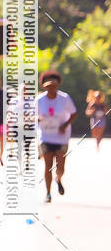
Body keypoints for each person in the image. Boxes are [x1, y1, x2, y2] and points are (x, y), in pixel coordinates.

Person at [37, 70, 77, 203]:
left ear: (58, 85)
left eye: (54, 86)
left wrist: (65, 125)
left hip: (61, 136)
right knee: (48, 165)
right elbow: (32, 116)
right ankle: (48, 193)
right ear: (44, 86)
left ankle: (58, 178)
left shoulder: (65, 98)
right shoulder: (40, 99)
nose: (51, 89)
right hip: (46, 136)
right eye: (48, 86)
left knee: (60, 167)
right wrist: (37, 119)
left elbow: (74, 113)